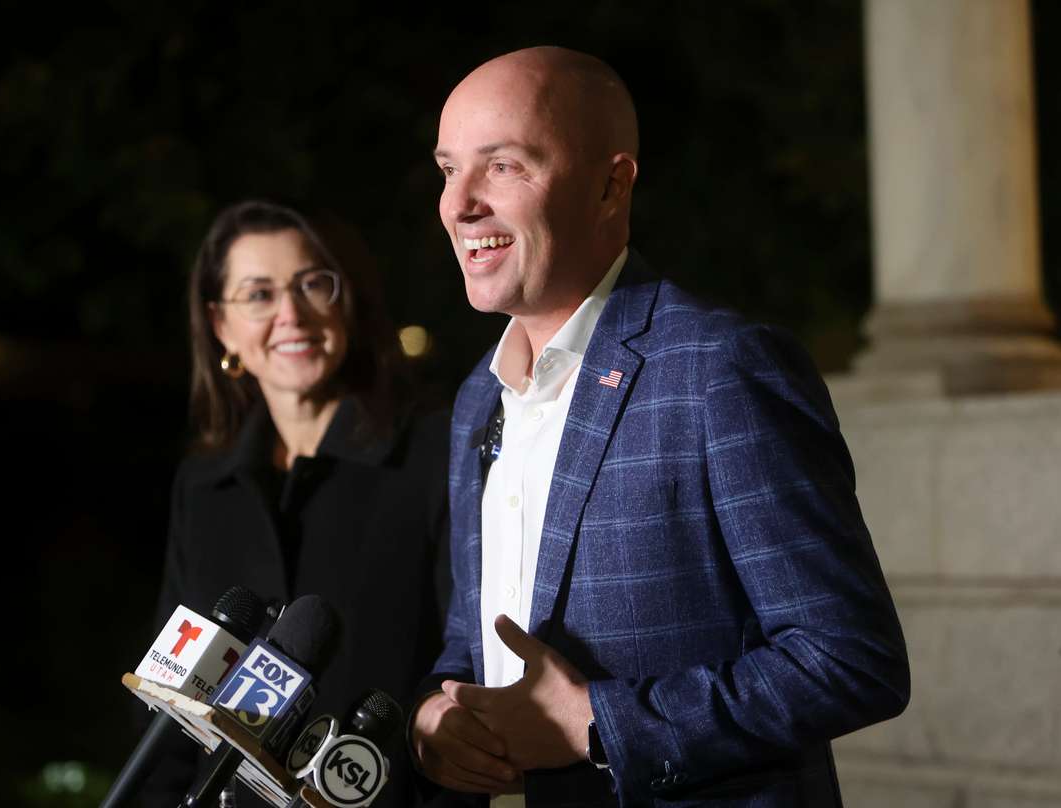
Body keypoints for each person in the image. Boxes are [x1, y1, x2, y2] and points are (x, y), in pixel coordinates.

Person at [410, 47, 910, 807]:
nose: (460, 204)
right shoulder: (478, 399)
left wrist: (601, 727)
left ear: (612, 184)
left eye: (504, 166)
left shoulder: (721, 367)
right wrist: (438, 718)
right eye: (449, 169)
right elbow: (472, 641)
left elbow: (850, 659)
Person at [143, 199, 452, 807]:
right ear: (221, 325)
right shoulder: (205, 488)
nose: (291, 314)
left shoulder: (433, 452)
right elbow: (168, 705)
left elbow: (461, 670)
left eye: (313, 283)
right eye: (258, 294)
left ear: (349, 300)